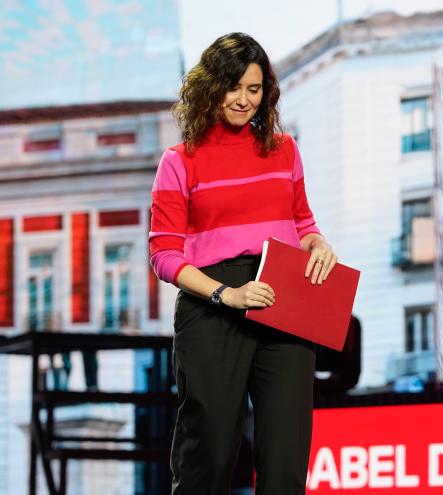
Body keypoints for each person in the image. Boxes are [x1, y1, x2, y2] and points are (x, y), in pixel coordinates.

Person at [149, 32, 338, 494]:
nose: (243, 100)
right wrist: (226, 293)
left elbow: (301, 219)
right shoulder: (180, 161)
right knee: (209, 454)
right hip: (213, 302)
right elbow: (164, 254)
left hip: (283, 296)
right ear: (211, 87)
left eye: (254, 90)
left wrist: (318, 243)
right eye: (233, 87)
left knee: (286, 460)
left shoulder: (284, 149)